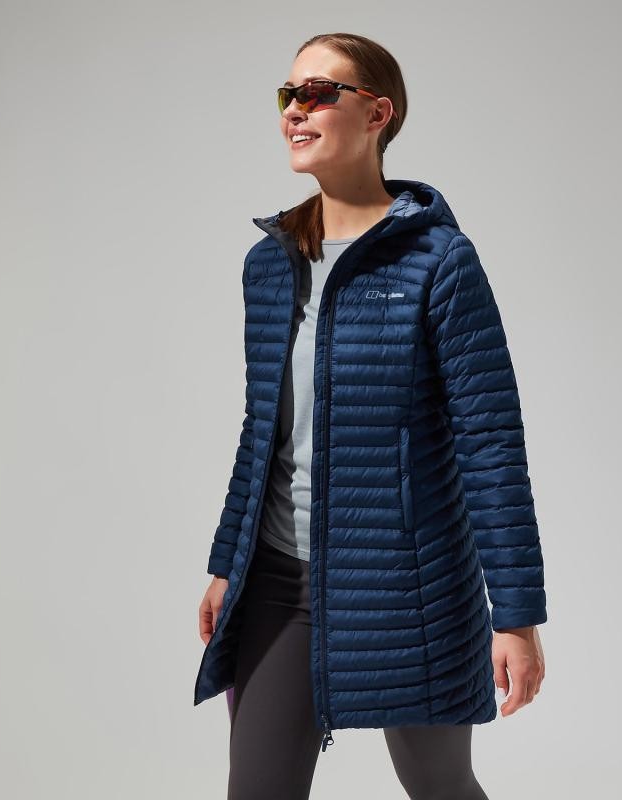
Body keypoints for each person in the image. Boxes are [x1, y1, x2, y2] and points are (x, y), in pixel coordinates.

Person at [196, 32, 548, 800]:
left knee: (440, 786)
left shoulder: (438, 261)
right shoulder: (269, 264)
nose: (295, 110)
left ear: (378, 114)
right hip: (279, 582)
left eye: (318, 93)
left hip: (409, 585)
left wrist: (517, 617)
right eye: (288, 94)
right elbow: (263, 429)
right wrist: (227, 563)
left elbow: (490, 440)